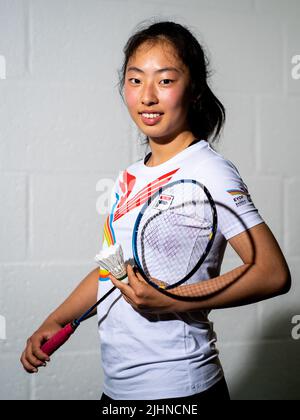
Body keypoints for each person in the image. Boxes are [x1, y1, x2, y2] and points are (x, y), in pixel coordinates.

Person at [20, 21, 291, 402]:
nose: (147, 96)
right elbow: (111, 271)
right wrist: (58, 319)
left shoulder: (209, 171)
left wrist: (174, 299)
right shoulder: (129, 176)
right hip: (118, 389)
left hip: (180, 388)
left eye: (164, 80)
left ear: (193, 89)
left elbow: (272, 273)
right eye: (135, 80)